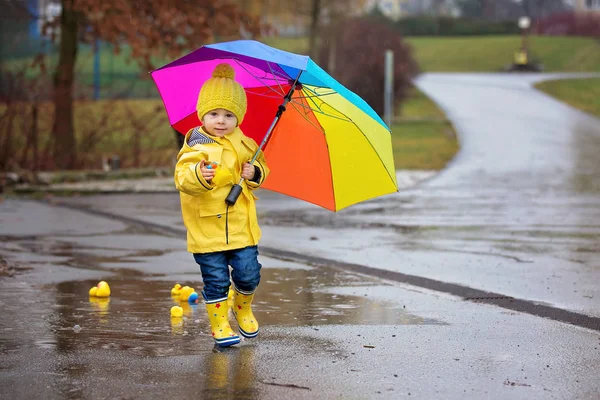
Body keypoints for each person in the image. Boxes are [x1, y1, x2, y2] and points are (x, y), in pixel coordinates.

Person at [174, 63, 270, 347]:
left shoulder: (247, 143)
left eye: (229, 115)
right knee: (216, 280)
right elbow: (182, 177)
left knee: (249, 273)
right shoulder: (195, 145)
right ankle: (220, 326)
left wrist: (254, 174)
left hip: (241, 226)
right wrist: (198, 176)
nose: (220, 120)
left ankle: (242, 306)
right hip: (207, 229)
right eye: (214, 113)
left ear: (238, 118)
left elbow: (262, 168)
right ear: (202, 113)